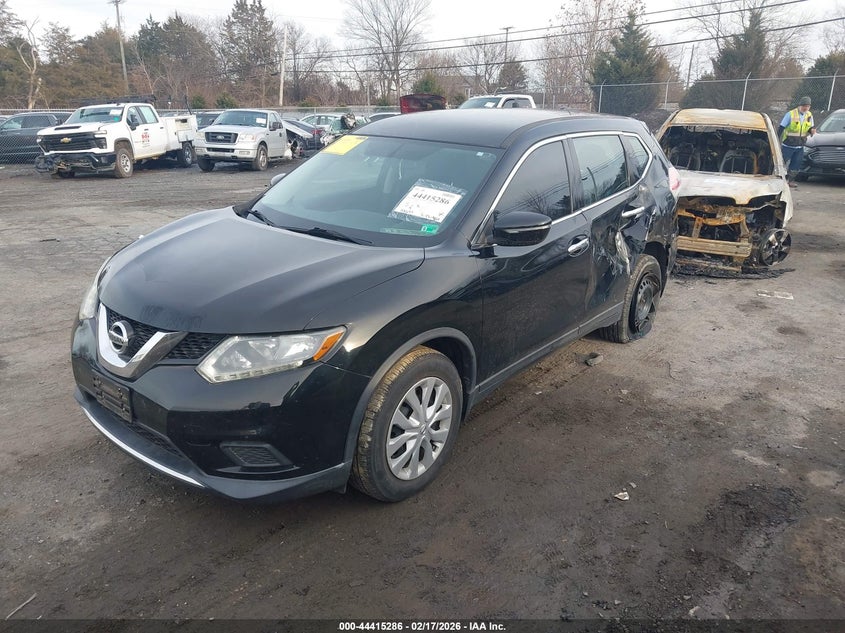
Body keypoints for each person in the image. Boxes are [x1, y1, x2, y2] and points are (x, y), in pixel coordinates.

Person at [777, 96, 815, 188]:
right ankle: (778, 180)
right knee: (781, 163)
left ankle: (790, 181)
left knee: (796, 164)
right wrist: (776, 139)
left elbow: (810, 127)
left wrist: (812, 130)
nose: (806, 108)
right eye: (804, 106)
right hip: (788, 145)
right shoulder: (790, 114)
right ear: (800, 105)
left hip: (800, 145)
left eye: (808, 106)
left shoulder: (809, 115)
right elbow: (781, 127)